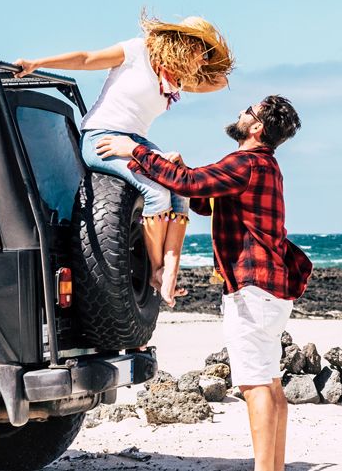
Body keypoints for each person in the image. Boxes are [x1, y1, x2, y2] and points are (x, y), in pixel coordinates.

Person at [95, 95, 312, 471]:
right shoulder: (264, 166)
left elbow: (191, 183)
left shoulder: (245, 162)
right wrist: (179, 172)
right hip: (269, 290)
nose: (242, 112)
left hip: (252, 288)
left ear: (257, 127)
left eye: (250, 109)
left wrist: (135, 151)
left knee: (255, 385)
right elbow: (201, 196)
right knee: (270, 383)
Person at [14, 12, 235, 306]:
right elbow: (86, 59)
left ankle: (170, 270)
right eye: (202, 50)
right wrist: (37, 63)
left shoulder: (173, 78)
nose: (204, 59)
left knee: (180, 187)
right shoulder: (136, 51)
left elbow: (218, 81)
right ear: (184, 42)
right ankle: (157, 270)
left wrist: (202, 60)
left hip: (135, 142)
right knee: (156, 192)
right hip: (102, 137)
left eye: (208, 54)